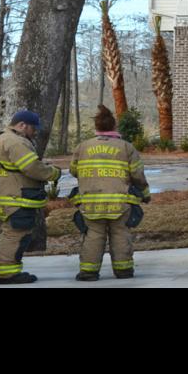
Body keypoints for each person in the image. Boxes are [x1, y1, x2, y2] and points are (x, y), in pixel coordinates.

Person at [70, 105, 149, 281]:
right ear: (114, 127)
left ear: (96, 128)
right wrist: (145, 193)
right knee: (120, 234)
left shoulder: (82, 147)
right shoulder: (126, 147)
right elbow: (138, 175)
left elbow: (74, 171)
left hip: (90, 203)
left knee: (93, 235)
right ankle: (124, 271)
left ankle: (88, 272)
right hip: (120, 203)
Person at [0, 110, 61, 285]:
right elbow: (31, 167)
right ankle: (8, 275)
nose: (35, 132)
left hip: (6, 197)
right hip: (15, 199)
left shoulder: (2, 139)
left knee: (8, 233)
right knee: (15, 235)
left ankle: (6, 271)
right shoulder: (15, 142)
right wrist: (53, 173)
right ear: (22, 125)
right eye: (33, 128)